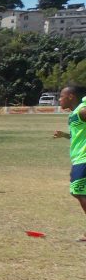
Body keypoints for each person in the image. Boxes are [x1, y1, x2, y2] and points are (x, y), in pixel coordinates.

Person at [53, 85, 86, 241]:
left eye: (61, 96)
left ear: (71, 96)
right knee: (79, 191)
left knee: (78, 191)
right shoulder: (75, 113)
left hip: (84, 159)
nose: (59, 99)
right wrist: (65, 135)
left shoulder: (81, 111)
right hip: (79, 158)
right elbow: (78, 135)